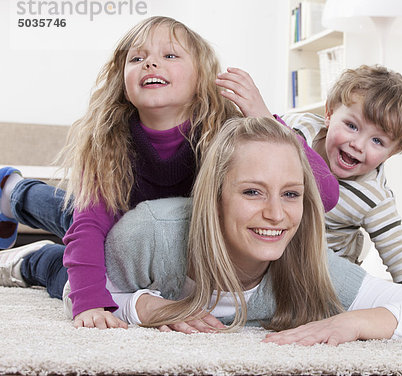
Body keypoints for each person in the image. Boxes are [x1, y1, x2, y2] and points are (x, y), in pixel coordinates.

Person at [0, 17, 338, 330]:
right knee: (77, 237)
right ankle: (14, 200)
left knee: (76, 234)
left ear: (202, 78)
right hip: (119, 235)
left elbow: (323, 196)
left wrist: (266, 119)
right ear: (123, 79)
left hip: (161, 249)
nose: (150, 63)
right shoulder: (109, 140)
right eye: (137, 58)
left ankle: (30, 241)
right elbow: (87, 227)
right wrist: (88, 303)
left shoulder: (227, 135)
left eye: (170, 55)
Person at [79, 116, 402, 343]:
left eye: (290, 194)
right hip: (111, 236)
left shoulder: (309, 263)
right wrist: (144, 306)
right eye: (252, 192)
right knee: (48, 265)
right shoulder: (152, 233)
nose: (276, 215)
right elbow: (80, 291)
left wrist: (353, 322)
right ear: (214, 197)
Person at [216, 65, 402, 286]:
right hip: (272, 252)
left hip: (322, 275)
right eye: (352, 126)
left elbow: (400, 254)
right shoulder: (300, 127)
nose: (358, 144)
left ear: (390, 153)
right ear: (329, 114)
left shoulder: (374, 198)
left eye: (377, 141)